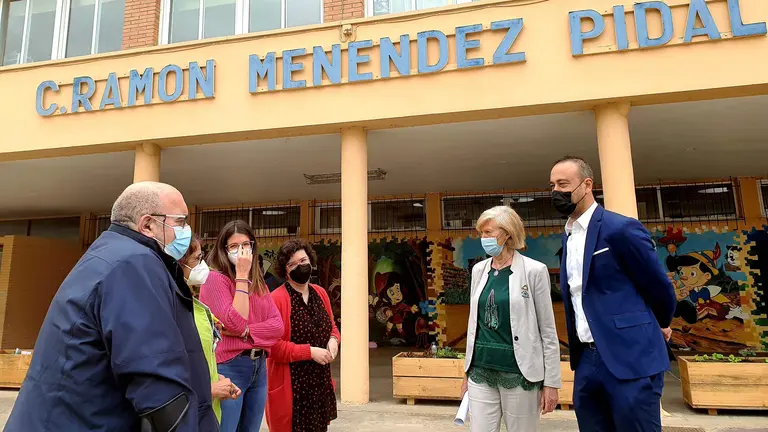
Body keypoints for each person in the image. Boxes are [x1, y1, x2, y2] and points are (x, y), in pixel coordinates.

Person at [5, 182, 219, 431]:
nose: (187, 230)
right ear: (148, 224)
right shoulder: (134, 263)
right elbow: (156, 378)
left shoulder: (112, 253)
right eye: (181, 221)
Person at [549, 156, 676, 432]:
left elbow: (657, 284)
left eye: (563, 184)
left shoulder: (620, 229)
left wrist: (662, 321)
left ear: (586, 185)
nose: (556, 192)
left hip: (630, 356)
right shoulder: (568, 237)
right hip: (586, 361)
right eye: (552, 185)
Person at [461, 206, 561, 432]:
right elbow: (473, 323)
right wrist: (466, 372)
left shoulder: (534, 271)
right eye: (481, 233)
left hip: (519, 373)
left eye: (488, 233)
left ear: (507, 234)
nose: (483, 238)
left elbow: (547, 329)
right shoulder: (479, 270)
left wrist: (551, 382)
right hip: (480, 370)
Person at [200, 220, 284, 432]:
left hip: (258, 366)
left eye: (246, 245)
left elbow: (277, 327)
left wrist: (248, 331)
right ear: (223, 249)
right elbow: (235, 322)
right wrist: (241, 276)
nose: (241, 251)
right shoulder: (214, 279)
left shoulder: (259, 283)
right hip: (229, 366)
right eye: (234, 246)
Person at [265, 239, 340, 432]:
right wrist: (310, 352)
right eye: (292, 264)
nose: (300, 266)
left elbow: (332, 326)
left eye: (303, 260)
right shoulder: (277, 299)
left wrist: (334, 340)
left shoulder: (320, 293)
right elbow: (273, 347)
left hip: (319, 384)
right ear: (285, 270)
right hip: (293, 387)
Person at [179, 233, 243, 424]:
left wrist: (216, 377)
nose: (203, 265)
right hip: (186, 418)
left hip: (207, 413)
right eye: (197, 259)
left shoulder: (193, 304)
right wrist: (209, 389)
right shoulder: (170, 309)